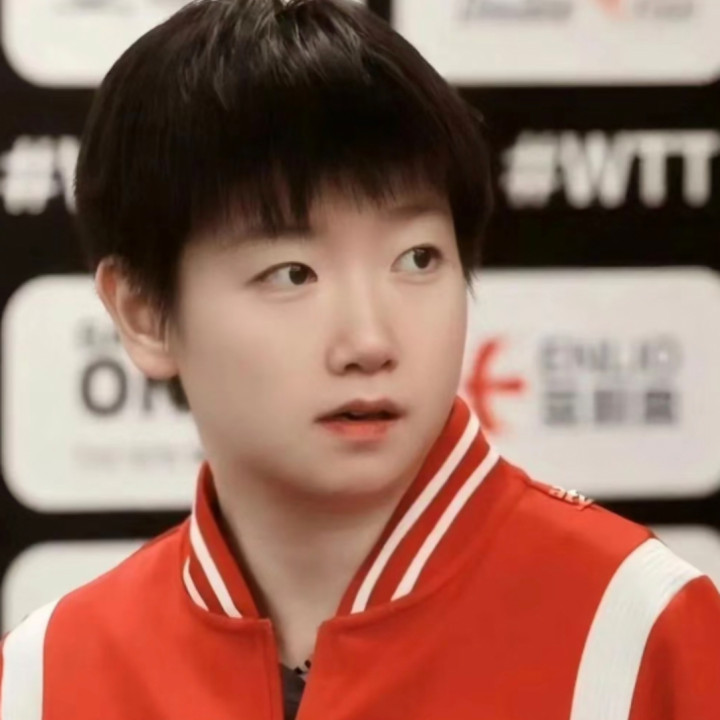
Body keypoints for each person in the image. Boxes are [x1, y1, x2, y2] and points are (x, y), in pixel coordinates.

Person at [1, 1, 719, 718]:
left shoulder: (641, 632)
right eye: (293, 273)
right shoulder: (45, 677)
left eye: (417, 259)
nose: (370, 341)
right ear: (142, 312)